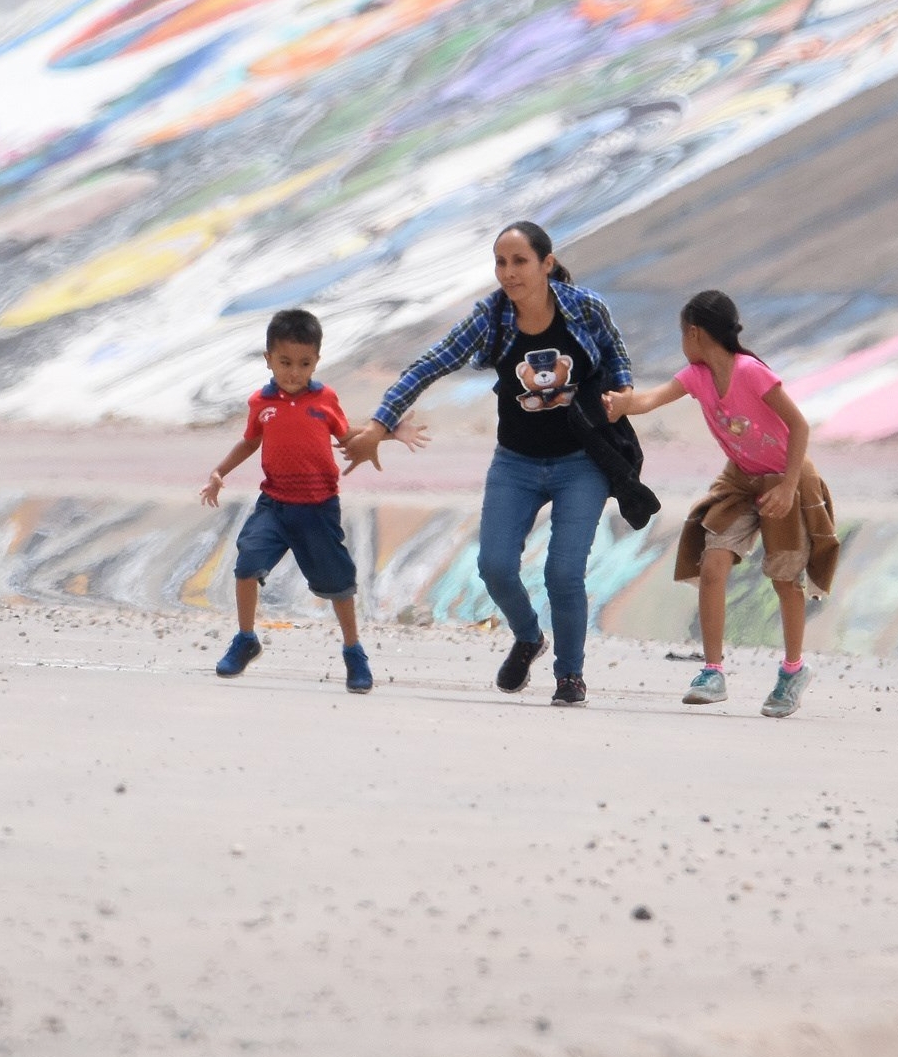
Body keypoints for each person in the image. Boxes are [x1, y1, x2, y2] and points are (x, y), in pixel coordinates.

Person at [348, 221, 634, 708]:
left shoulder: (585, 307)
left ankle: (570, 676)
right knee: (494, 566)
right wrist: (379, 424)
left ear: (546, 264)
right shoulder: (492, 318)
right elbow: (429, 363)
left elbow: (615, 353)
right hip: (516, 464)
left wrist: (624, 394)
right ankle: (527, 636)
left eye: (519, 261)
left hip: (580, 463)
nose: (508, 272)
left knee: (564, 573)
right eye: (500, 262)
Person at [601, 290, 836, 717]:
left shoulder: (751, 372)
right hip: (739, 479)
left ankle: (793, 670)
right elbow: (650, 400)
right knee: (713, 564)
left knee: (785, 579)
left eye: (681, 334)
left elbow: (799, 425)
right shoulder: (696, 375)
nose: (682, 343)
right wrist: (621, 404)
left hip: (787, 476)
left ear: (694, 332)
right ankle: (712, 671)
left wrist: (786, 487)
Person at [201, 308, 420, 693]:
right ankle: (246, 639)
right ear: (268, 359)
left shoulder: (324, 398)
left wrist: (390, 433)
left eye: (304, 363)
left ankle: (354, 650)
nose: (294, 372)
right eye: (285, 362)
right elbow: (250, 440)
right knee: (246, 564)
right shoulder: (260, 402)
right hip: (274, 504)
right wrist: (220, 472)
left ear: (317, 361)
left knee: (338, 584)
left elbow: (347, 435)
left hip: (318, 507)